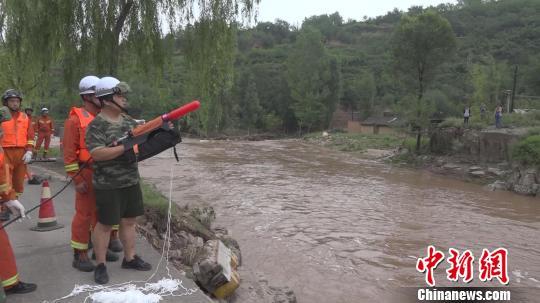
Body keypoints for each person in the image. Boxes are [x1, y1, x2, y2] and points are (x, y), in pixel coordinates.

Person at [86, 77, 151, 284]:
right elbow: (97, 153)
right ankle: (101, 265)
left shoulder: (128, 121)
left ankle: (130, 258)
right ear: (106, 99)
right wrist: (124, 147)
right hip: (108, 184)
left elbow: (144, 138)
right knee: (105, 225)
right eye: (119, 95)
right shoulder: (97, 124)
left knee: (129, 221)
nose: (124, 99)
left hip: (130, 180)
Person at [64, 76, 123, 272]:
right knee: (84, 214)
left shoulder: (104, 116)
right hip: (86, 172)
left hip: (105, 172)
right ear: (88, 96)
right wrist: (77, 178)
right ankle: (79, 254)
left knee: (102, 213)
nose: (103, 98)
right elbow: (69, 154)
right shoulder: (75, 120)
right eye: (99, 95)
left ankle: (100, 250)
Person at [0, 105, 37, 296]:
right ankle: (9, 284)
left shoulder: (24, 119)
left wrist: (9, 199)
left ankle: (9, 283)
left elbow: (1, 173)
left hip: (19, 153)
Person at [0, 90, 34, 221]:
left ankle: (13, 204)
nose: (15, 104)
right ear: (6, 103)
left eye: (17, 101)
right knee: (5, 182)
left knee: (19, 183)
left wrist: (30, 150)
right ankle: (4, 209)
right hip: (5, 152)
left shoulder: (25, 117)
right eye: (11, 101)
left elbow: (30, 135)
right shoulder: (1, 116)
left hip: (21, 153)